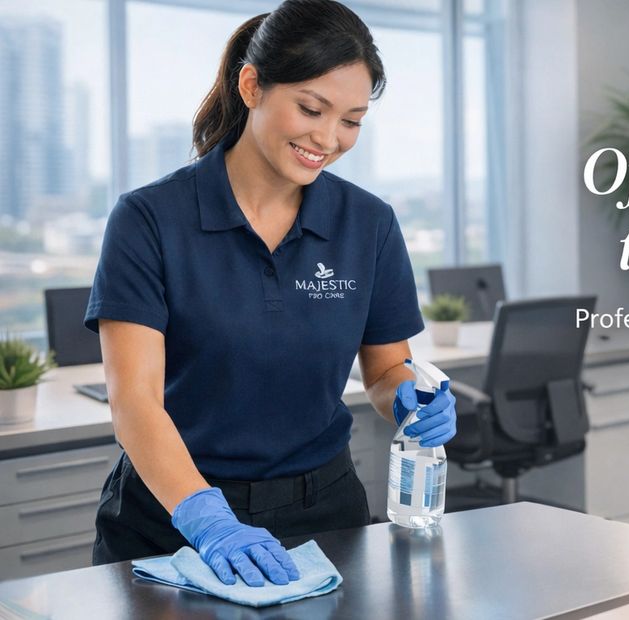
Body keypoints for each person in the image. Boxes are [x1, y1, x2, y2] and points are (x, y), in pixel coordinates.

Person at [85, 0, 456, 587]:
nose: (328, 138)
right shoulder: (150, 219)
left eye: (352, 120)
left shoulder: (368, 224)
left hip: (325, 516)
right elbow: (134, 400)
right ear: (252, 86)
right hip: (175, 516)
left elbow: (387, 369)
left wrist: (411, 399)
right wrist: (207, 519)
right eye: (311, 108)